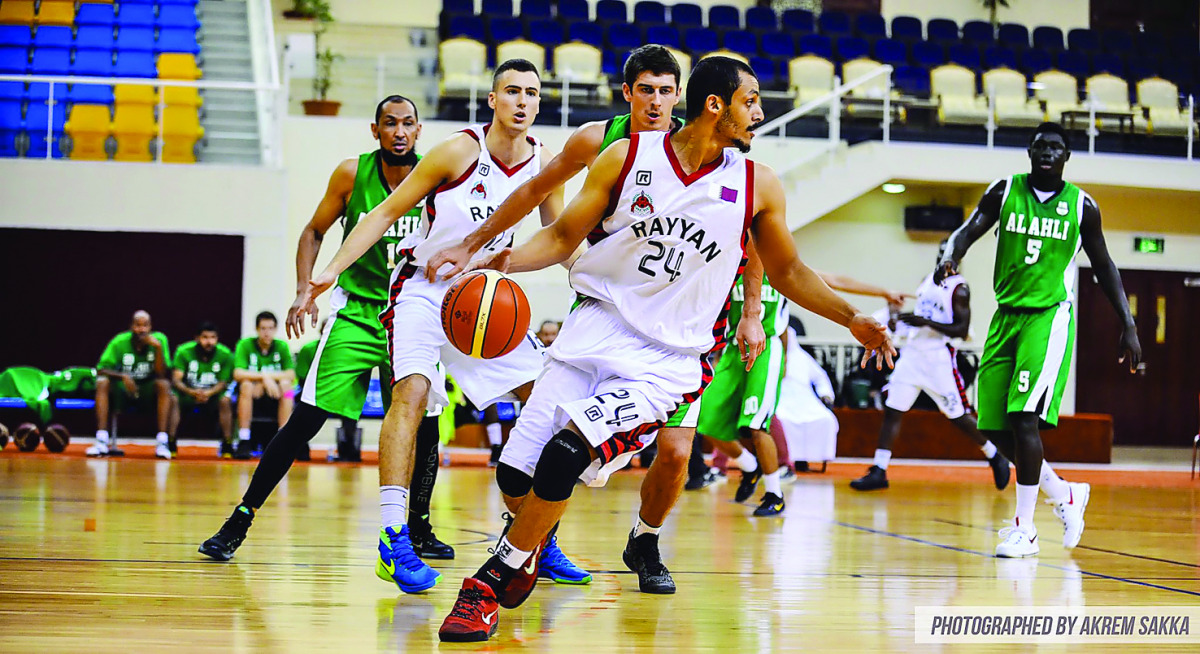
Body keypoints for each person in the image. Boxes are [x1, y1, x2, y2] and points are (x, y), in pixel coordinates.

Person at [437, 56, 895, 642]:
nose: (760, 112)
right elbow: (559, 236)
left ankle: (485, 586)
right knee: (516, 472)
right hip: (596, 327)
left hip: (667, 361)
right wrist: (493, 259)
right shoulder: (626, 157)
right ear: (716, 105)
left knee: (565, 455)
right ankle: (526, 553)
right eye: (750, 100)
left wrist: (852, 315)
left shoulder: (757, 184)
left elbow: (789, 270)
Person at [424, 44, 767, 595]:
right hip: (608, 309)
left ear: (684, 96)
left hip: (678, 332)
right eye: (646, 90)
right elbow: (538, 194)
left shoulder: (710, 146)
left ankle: (645, 540)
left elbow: (750, 237)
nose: (657, 102)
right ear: (627, 92)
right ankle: (536, 541)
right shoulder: (600, 141)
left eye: (666, 90)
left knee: (677, 453)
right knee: (525, 468)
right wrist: (481, 244)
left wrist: (751, 311)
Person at [303, 59, 581, 594]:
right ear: (493, 100)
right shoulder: (458, 150)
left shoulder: (545, 164)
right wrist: (328, 272)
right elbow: (384, 213)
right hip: (423, 290)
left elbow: (560, 241)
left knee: (543, 399)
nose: (522, 101)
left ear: (539, 104)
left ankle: (536, 540)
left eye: (531, 93)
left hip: (484, 297)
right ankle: (392, 537)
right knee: (411, 393)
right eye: (511, 91)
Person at [199, 95, 453, 565]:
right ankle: (239, 519)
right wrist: (303, 289)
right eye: (390, 123)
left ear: (420, 132)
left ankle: (419, 527)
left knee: (427, 423)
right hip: (356, 310)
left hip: (411, 312)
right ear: (374, 131)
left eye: (408, 124)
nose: (399, 131)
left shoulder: (438, 178)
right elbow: (313, 231)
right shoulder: (351, 174)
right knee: (304, 421)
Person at [936, 122, 1141, 558]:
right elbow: (966, 232)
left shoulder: (1083, 206)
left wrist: (1129, 323)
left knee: (1024, 416)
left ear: (1066, 157)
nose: (1047, 152)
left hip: (1048, 318)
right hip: (1004, 317)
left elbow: (1104, 266)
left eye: (1056, 147)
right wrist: (950, 255)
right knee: (994, 426)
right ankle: (1063, 492)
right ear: (1029, 151)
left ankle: (1025, 529)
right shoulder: (1004, 191)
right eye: (1041, 145)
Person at [697, 271, 907, 516]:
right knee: (705, 420)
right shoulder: (734, 262)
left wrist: (884, 292)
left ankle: (774, 493)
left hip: (765, 349)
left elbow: (837, 280)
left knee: (757, 425)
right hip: (733, 350)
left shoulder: (778, 267)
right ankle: (750, 465)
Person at [851, 242, 1012, 492]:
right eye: (941, 253)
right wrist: (899, 319)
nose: (943, 257)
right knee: (893, 409)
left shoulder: (960, 289)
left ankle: (994, 454)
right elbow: (921, 316)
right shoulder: (927, 281)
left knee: (957, 415)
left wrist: (923, 321)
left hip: (938, 359)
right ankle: (879, 469)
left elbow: (960, 329)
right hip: (913, 355)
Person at [89, 310, 175, 459]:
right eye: (137, 325)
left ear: (150, 327)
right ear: (131, 327)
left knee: (164, 385)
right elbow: (100, 369)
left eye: (145, 326)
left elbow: (161, 373)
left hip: (147, 390)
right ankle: (101, 440)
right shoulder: (119, 341)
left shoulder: (159, 340)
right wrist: (123, 376)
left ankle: (162, 443)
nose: (141, 330)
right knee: (102, 383)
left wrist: (159, 349)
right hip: (123, 391)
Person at [232, 311, 296, 458]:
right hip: (253, 393)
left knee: (288, 388)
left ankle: (283, 438)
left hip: (277, 394)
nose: (267, 333)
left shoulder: (282, 346)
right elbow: (238, 373)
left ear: (275, 329)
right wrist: (264, 378)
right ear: (257, 329)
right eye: (263, 328)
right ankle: (244, 439)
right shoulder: (245, 344)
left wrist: (268, 379)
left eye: (271, 328)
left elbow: (291, 375)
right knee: (246, 385)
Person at [774, 326, 838, 472]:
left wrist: (825, 394)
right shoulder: (772, 356)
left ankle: (803, 460)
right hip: (782, 399)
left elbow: (821, 378)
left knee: (826, 418)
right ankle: (786, 460)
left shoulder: (803, 357)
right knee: (782, 420)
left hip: (806, 399)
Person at [172, 321, 235, 456]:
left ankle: (227, 443)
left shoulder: (225, 354)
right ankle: (171, 441)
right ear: (197, 338)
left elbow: (223, 382)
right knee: (173, 398)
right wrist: (191, 392)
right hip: (188, 393)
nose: (209, 342)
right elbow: (176, 380)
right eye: (205, 337)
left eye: (213, 338)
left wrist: (208, 393)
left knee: (225, 400)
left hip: (212, 395)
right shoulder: (183, 351)